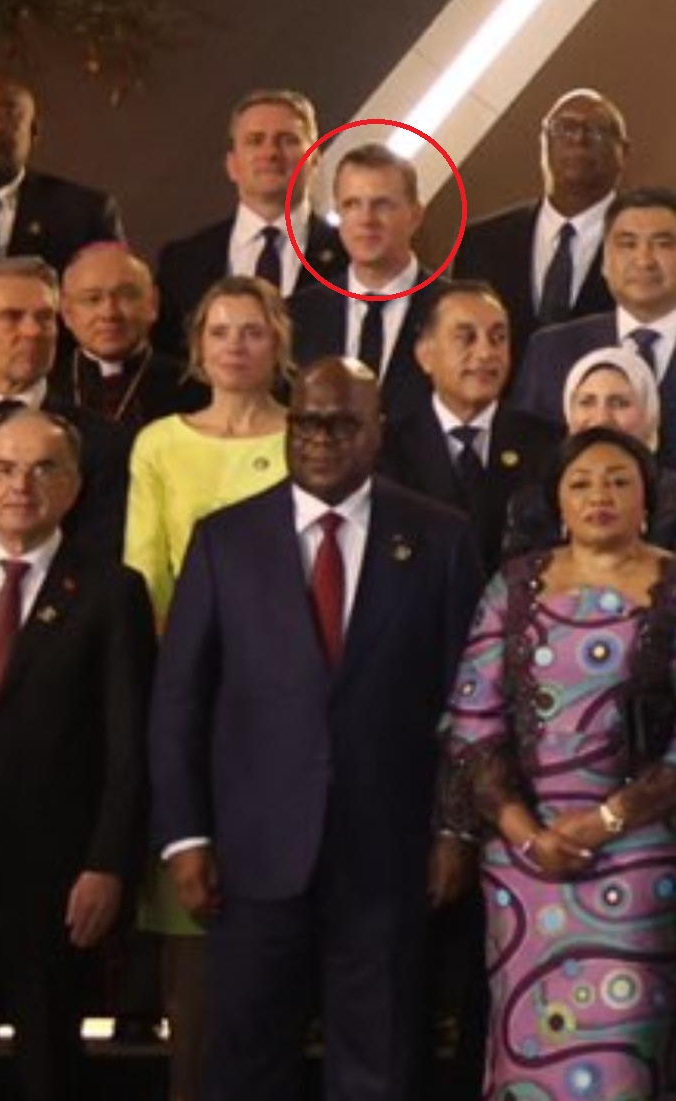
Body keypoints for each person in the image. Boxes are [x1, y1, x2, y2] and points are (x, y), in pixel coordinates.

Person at [148, 355, 482, 1100]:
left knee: (378, 1070)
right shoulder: (225, 538)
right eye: (306, 422)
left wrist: (455, 829)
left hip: (389, 860)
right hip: (252, 859)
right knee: (245, 1068)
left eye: (341, 424)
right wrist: (185, 836)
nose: (320, 439)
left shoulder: (441, 538)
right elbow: (180, 701)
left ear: (378, 430)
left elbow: (469, 706)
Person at [439, 425, 676, 1100]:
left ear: (647, 500)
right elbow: (473, 722)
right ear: (558, 503)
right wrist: (522, 830)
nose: (600, 495)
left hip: (642, 853)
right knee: (528, 1045)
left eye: (619, 482)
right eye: (581, 483)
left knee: (625, 1052)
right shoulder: (513, 586)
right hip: (525, 861)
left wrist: (608, 820)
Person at [0, 408, 154, 1101]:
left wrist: (107, 863)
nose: (20, 486)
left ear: (74, 485)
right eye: (3, 468)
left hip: (56, 879)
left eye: (42, 468)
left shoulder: (112, 591)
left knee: (48, 1069)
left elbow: (129, 743)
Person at [125, 274, 289, 1100]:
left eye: (251, 330)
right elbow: (144, 575)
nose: (235, 345)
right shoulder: (159, 443)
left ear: (278, 343)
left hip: (285, 710)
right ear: (196, 346)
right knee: (196, 982)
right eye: (219, 331)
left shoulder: (305, 438)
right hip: (189, 701)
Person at [0, 71, 124, 396]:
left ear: (34, 131)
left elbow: (109, 312)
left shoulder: (82, 212)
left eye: (7, 114)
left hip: (47, 400)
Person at [0, 255, 130, 559]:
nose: (33, 331)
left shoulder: (104, 442)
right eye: (12, 317)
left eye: (44, 318)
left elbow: (98, 559)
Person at [381, 280, 561, 573]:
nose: (486, 353)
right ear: (425, 355)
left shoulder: (548, 444)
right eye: (466, 338)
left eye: (498, 338)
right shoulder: (387, 448)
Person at [154, 88, 345, 356]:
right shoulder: (182, 262)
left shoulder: (351, 257)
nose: (270, 153)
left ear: (314, 160)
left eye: (287, 140)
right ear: (232, 164)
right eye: (255, 141)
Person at [453, 89, 626, 363]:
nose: (578, 139)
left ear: (623, 151)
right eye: (565, 128)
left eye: (596, 131)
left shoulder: (655, 243)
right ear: (543, 142)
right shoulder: (481, 242)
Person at [514, 187, 676, 471]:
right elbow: (529, 458)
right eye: (627, 244)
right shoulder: (551, 349)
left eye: (663, 244)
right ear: (604, 262)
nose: (644, 260)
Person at [290, 143, 443, 429]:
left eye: (382, 205)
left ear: (415, 216)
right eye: (352, 204)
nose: (366, 220)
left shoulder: (451, 309)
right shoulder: (298, 315)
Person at [505, 345, 676, 556]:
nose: (602, 418)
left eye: (620, 403)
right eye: (587, 402)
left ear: (648, 413)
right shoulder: (531, 507)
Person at [53, 242, 204, 429]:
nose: (109, 313)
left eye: (126, 296)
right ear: (66, 312)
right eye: (93, 299)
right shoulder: (46, 389)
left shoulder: (195, 387)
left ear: (153, 304)